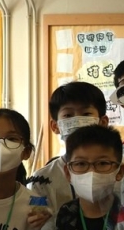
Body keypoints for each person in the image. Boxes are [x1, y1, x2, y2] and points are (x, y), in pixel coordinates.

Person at [28, 81, 110, 218]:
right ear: (55, 126)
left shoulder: (121, 169)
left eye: (86, 114)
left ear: (103, 122)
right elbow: (36, 216)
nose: (77, 120)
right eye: (68, 115)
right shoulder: (41, 180)